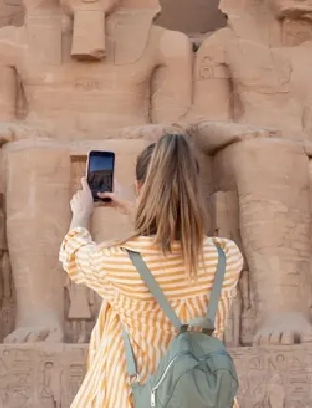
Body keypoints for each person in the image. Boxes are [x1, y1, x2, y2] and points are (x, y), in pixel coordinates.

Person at [60, 133, 244, 407]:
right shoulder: (225, 257)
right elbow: (176, 239)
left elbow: (73, 255)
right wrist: (139, 208)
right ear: (194, 189)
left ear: (140, 188)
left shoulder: (122, 263)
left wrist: (81, 213)